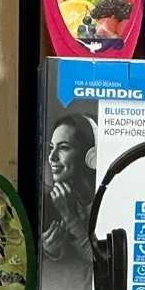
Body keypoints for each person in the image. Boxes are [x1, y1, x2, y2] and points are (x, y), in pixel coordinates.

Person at [41, 113, 96, 265]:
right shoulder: (50, 198)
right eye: (51, 147)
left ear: (89, 155)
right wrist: (48, 249)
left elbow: (99, 259)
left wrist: (70, 218)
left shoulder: (105, 198)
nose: (52, 157)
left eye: (64, 148)